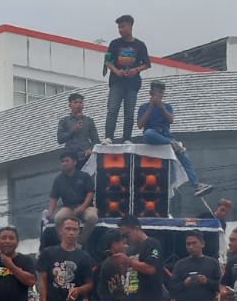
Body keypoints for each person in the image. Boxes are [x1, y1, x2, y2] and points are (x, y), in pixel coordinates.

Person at [136, 80, 210, 195]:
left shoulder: (167, 107)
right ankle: (171, 143)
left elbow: (171, 120)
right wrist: (151, 107)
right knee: (149, 133)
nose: (159, 95)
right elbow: (140, 125)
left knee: (184, 156)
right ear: (151, 93)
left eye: (161, 92)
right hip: (152, 137)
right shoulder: (144, 107)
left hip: (165, 136)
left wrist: (161, 107)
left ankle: (196, 184)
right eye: (157, 92)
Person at [103, 13, 150, 142]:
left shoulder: (140, 45)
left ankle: (127, 138)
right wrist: (116, 71)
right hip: (117, 82)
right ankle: (108, 137)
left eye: (122, 26)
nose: (120, 30)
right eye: (119, 27)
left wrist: (136, 70)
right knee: (112, 110)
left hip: (132, 84)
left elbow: (147, 64)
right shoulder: (114, 43)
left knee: (129, 113)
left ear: (130, 26)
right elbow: (107, 61)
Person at [36, 215, 96, 301]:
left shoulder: (85, 257)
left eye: (74, 229)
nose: (71, 232)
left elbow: (89, 284)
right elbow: (42, 282)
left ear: (78, 232)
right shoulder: (47, 253)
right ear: (60, 230)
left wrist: (78, 290)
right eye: (68, 229)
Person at [118, 216, 166, 301]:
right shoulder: (131, 249)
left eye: (126, 235)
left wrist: (129, 261)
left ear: (136, 228)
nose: (125, 239)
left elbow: (150, 268)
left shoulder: (152, 244)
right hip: (131, 300)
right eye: (122, 236)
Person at [169, 230, 220, 301]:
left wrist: (206, 281)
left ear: (202, 244)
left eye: (194, 243)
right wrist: (184, 283)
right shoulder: (180, 264)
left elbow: (220, 286)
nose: (191, 247)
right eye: (188, 244)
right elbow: (172, 288)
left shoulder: (213, 263)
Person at [47, 153, 99, 231]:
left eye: (67, 161)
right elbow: (53, 197)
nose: (64, 163)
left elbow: (90, 193)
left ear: (75, 162)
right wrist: (50, 212)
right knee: (58, 218)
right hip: (69, 208)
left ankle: (81, 241)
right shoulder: (58, 179)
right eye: (62, 161)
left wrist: (83, 207)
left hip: (87, 207)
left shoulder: (84, 176)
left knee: (92, 217)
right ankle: (64, 241)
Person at [56, 92, 100, 167]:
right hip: (71, 158)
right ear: (70, 105)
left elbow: (96, 139)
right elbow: (60, 139)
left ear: (83, 105)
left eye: (80, 102)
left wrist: (91, 149)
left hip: (87, 157)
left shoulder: (89, 120)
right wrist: (74, 129)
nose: (78, 104)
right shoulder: (64, 121)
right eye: (75, 102)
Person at [96, 230, 131, 301]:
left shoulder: (118, 260)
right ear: (114, 245)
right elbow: (117, 293)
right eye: (122, 243)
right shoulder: (111, 264)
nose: (125, 246)